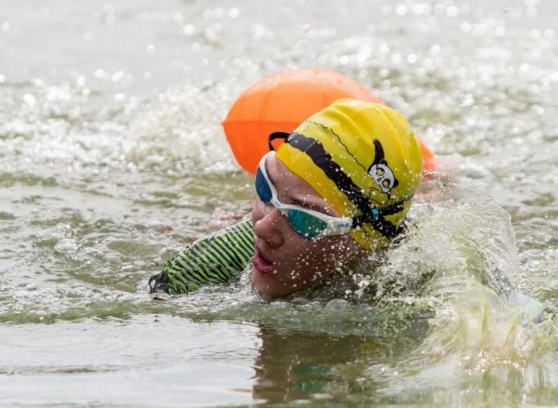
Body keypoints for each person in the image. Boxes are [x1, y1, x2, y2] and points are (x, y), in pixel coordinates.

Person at [148, 98, 423, 297]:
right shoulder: (209, 263)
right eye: (266, 188)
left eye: (304, 217)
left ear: (366, 241)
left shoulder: (419, 289)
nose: (262, 227)